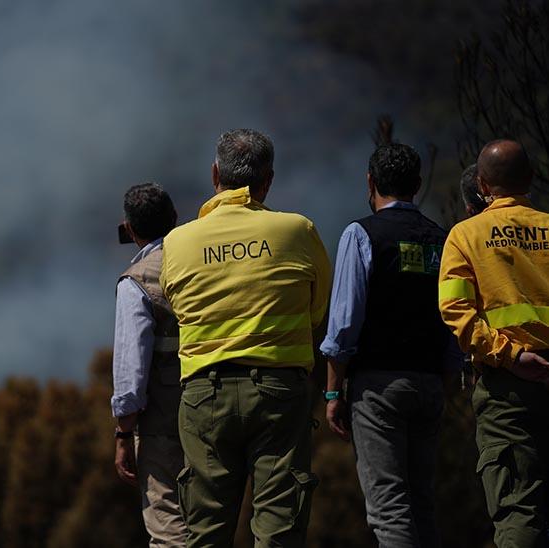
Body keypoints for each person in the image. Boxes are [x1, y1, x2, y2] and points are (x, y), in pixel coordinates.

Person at [160, 129, 331, 547]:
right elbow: (318, 312)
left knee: (205, 533)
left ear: (215, 173)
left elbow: (174, 305)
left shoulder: (177, 241)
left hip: (203, 396)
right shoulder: (298, 231)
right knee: (278, 531)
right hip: (279, 394)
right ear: (268, 180)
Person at [321, 143, 461, 548]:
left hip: (379, 387)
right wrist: (445, 381)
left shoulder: (361, 234)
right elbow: (453, 317)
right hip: (431, 383)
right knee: (422, 503)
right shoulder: (443, 239)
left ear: (370, 181)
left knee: (389, 508)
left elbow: (344, 324)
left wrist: (333, 391)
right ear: (417, 185)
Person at [438, 140, 549, 547]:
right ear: (531, 179)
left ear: (482, 185)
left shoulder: (465, 236)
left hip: (507, 390)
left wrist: (513, 356)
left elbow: (456, 312)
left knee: (519, 507)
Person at [111, 182, 187, 546]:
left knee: (168, 522)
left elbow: (131, 371)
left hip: (162, 420)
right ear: (174, 218)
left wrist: (124, 434)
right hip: (216, 404)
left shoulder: (136, 281)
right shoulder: (201, 263)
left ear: (129, 229)